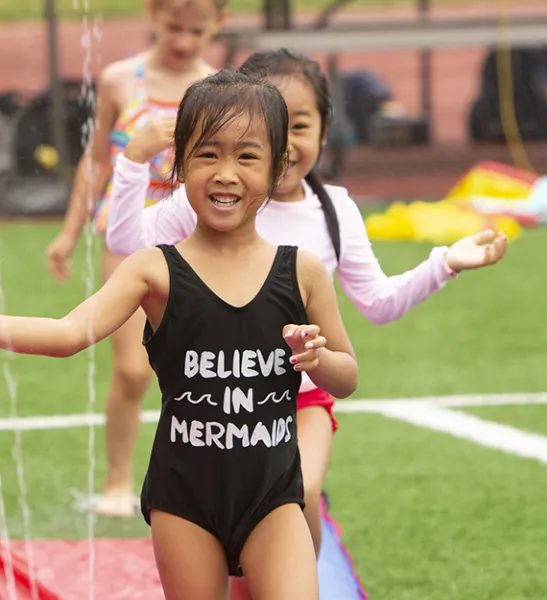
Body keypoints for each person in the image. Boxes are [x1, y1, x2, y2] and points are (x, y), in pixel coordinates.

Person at [0, 71, 355, 600]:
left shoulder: (303, 272)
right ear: (178, 166)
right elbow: (67, 332)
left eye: (247, 157)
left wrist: (317, 359)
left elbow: (347, 377)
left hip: (273, 497)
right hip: (186, 501)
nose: (225, 173)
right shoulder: (153, 269)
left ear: (276, 169)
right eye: (207, 155)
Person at [105, 48, 509, 556]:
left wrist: (445, 262)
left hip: (302, 397)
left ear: (324, 130)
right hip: (227, 403)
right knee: (226, 524)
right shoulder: (207, 200)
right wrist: (133, 162)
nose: (290, 144)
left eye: (301, 125)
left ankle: (302, 578)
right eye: (275, 126)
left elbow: (378, 303)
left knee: (302, 494)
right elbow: (127, 242)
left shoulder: (333, 210)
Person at [43, 0, 228, 517]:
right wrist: (68, 232)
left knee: (206, 368)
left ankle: (205, 476)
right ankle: (119, 480)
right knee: (132, 370)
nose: (184, 40)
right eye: (173, 26)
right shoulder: (120, 80)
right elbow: (97, 159)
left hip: (194, 239)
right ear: (152, 13)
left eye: (197, 29)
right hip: (126, 239)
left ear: (220, 23)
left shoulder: (220, 89)